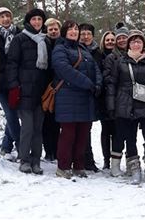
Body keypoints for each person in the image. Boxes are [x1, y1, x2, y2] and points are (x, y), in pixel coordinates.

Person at [106, 30, 145, 185]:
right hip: (126, 104)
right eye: (133, 42)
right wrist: (111, 105)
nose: (136, 44)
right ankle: (134, 169)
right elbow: (112, 84)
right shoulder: (121, 62)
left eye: (139, 41)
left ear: (143, 44)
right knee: (130, 139)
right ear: (129, 45)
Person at [52, 20, 102, 179]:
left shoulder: (83, 49)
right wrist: (88, 83)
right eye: (71, 29)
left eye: (76, 29)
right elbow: (64, 70)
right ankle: (63, 166)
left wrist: (98, 84)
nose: (74, 32)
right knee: (68, 134)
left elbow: (95, 68)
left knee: (83, 134)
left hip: (85, 97)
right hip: (68, 96)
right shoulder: (60, 48)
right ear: (65, 31)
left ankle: (79, 165)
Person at [7, 8, 50, 174]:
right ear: (28, 21)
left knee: (38, 128)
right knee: (28, 127)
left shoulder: (45, 41)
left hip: (41, 92)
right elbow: (12, 64)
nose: (37, 22)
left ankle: (36, 160)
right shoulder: (20, 39)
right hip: (23, 90)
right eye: (34, 19)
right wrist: (14, 85)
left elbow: (48, 68)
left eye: (39, 19)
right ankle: (24, 160)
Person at [103, 23, 129, 177]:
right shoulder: (111, 58)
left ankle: (132, 162)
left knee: (130, 134)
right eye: (119, 38)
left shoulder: (135, 54)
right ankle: (114, 164)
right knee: (118, 133)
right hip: (119, 98)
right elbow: (107, 78)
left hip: (135, 100)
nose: (121, 40)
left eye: (124, 37)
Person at [0, 7, 21, 161]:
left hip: (16, 81)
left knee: (15, 113)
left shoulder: (18, 33)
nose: (5, 19)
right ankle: (20, 145)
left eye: (7, 16)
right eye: (2, 16)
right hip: (0, 83)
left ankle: (5, 146)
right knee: (11, 114)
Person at [78, 23, 101, 173]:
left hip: (93, 93)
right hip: (78, 92)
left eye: (88, 34)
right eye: (83, 34)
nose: (86, 37)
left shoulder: (98, 52)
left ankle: (88, 160)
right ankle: (82, 160)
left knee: (87, 128)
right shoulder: (75, 49)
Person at [42, 18, 62, 162]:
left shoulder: (63, 44)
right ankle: (48, 151)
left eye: (55, 29)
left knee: (57, 122)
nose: (53, 31)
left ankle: (55, 150)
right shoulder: (42, 43)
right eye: (50, 29)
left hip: (60, 86)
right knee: (46, 121)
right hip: (45, 86)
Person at [97, 30, 116, 170]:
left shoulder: (120, 55)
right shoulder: (99, 55)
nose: (110, 42)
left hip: (118, 97)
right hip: (104, 97)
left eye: (112, 39)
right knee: (106, 130)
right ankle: (106, 160)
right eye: (107, 40)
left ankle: (116, 158)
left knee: (117, 130)